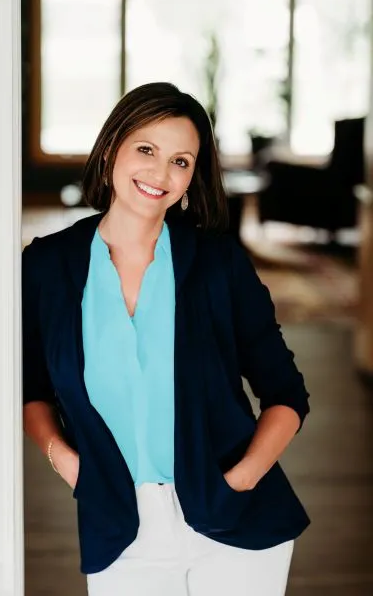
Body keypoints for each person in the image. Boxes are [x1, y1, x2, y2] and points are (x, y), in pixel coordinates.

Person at [22, 82, 310, 596]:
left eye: (181, 161)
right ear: (112, 146)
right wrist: (67, 463)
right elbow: (31, 388)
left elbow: (286, 393)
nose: (160, 174)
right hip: (118, 524)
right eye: (147, 150)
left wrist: (240, 480)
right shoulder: (47, 266)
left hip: (236, 524)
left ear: (192, 176)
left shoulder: (218, 264)